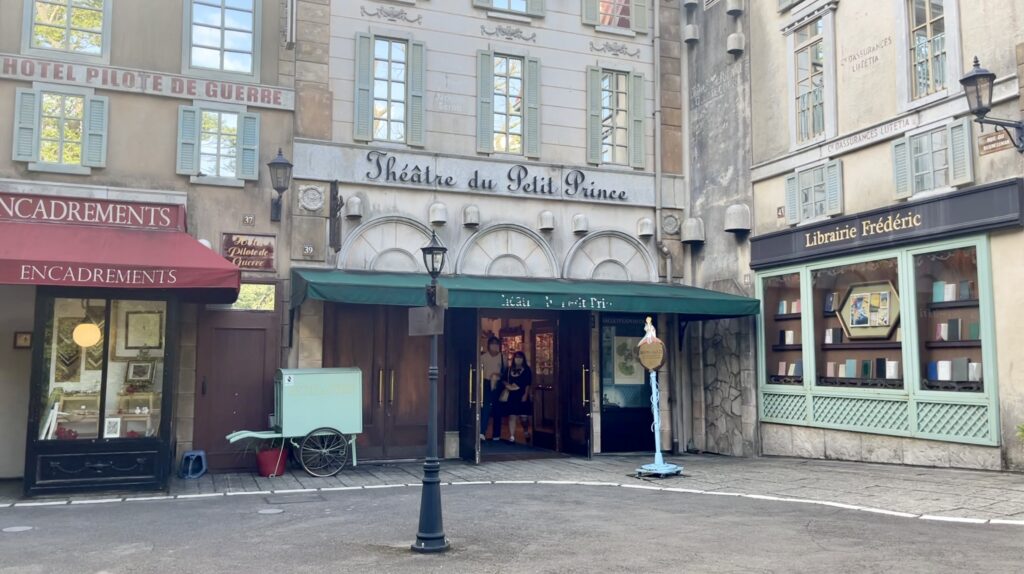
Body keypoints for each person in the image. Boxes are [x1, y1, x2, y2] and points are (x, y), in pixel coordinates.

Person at [500, 351, 533, 443]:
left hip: (522, 394)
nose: (518, 359)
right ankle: (512, 436)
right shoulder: (509, 369)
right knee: (512, 415)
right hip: (512, 395)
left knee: (524, 418)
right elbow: (503, 379)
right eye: (516, 357)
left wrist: (525, 395)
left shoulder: (527, 370)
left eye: (520, 357)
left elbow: (528, 383)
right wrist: (507, 385)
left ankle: (526, 431)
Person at [479, 337, 504, 441]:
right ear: (488, 345)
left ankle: (496, 435)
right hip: (486, 382)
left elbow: (505, 371)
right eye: (493, 344)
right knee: (486, 407)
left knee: (497, 408)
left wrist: (497, 375)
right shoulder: (483, 357)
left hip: (498, 383)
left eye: (497, 344)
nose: (495, 346)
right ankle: (482, 432)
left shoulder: (503, 357)